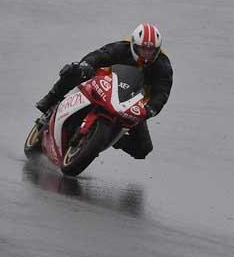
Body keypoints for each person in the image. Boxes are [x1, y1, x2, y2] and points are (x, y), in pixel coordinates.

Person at [35, 23, 173, 159]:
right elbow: (99, 55)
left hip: (132, 104)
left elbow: (162, 92)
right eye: (143, 49)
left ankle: (112, 139)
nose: (147, 54)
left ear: (158, 50)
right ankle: (50, 100)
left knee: (143, 149)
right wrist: (86, 64)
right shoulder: (121, 48)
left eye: (151, 50)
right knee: (74, 70)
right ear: (133, 45)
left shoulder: (163, 65)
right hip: (104, 85)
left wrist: (151, 109)